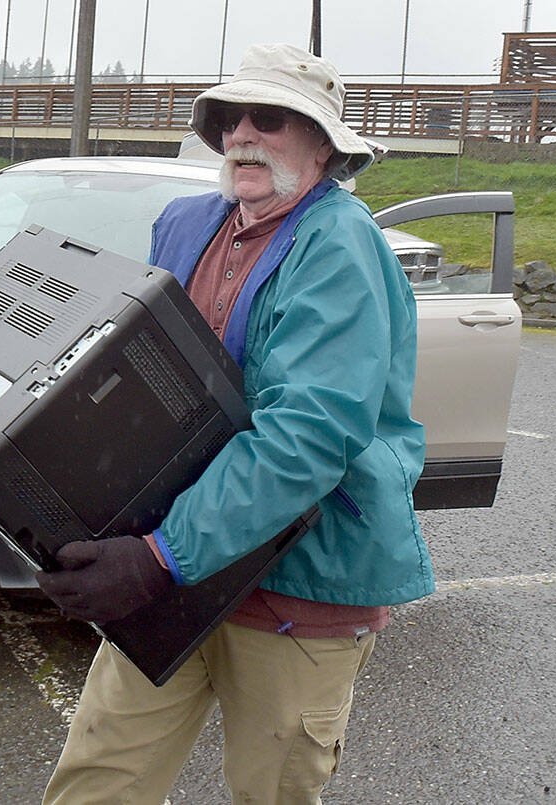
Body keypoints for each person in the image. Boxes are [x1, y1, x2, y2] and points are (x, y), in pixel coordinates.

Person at [35, 43, 435, 805]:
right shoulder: (187, 224)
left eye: (272, 117)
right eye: (229, 117)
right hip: (176, 566)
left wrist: (157, 555)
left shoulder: (340, 246)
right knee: (97, 782)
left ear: (323, 143)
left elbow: (308, 434)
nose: (244, 133)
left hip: (298, 583)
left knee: (272, 793)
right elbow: (138, 377)